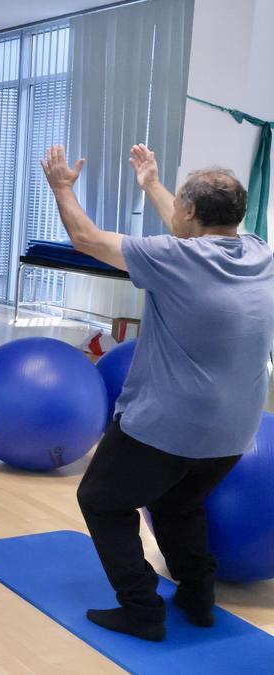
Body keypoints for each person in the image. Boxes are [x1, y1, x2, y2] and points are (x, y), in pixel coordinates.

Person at [41, 143, 274, 641]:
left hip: (167, 427)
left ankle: (142, 608)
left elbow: (85, 238)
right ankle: (198, 596)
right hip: (237, 432)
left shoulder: (173, 257)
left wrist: (61, 188)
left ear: (190, 211)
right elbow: (191, 223)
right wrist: (151, 184)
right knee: (179, 503)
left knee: (101, 501)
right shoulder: (260, 252)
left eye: (180, 203)